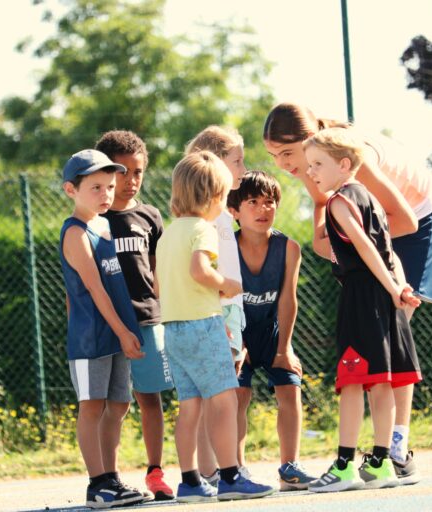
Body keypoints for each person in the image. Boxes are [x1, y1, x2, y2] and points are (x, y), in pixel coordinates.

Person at [263, 102, 432, 483]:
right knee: (377, 347)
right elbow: (323, 214)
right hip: (371, 225)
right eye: (272, 156)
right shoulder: (314, 163)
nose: (282, 164)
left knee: (388, 341)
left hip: (417, 219)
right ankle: (376, 453)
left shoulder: (348, 157)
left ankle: (396, 449)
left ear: (310, 140)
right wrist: (331, 238)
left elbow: (402, 222)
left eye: (286, 153)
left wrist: (359, 254)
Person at [302, 128, 423, 492]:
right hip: (385, 298)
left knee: (352, 383)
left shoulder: (340, 203)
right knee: (382, 381)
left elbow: (369, 250)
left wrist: (391, 287)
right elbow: (388, 252)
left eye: (317, 164)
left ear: (343, 164)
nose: (311, 172)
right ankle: (382, 462)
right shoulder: (369, 197)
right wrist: (399, 289)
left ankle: (344, 466)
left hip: (362, 298)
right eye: (308, 165)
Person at [155, 151, 275, 502]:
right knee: (223, 402)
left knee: (189, 405)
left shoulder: (167, 235)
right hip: (203, 325)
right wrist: (225, 284)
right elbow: (199, 270)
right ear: (211, 198)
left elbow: (158, 285)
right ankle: (231, 475)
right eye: (223, 198)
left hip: (173, 329)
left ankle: (190, 480)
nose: (224, 206)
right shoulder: (203, 230)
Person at [58, 149, 146, 509]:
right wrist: (124, 333)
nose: (106, 194)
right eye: (95, 187)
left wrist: (125, 330)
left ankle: (112, 478)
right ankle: (97, 485)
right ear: (71, 190)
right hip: (92, 338)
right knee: (92, 407)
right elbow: (92, 290)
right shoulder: (76, 233)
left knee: (119, 405)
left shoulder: (104, 225)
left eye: (110, 186)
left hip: (115, 331)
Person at [95, 131, 175, 501]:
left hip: (147, 320)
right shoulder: (92, 222)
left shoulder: (151, 216)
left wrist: (167, 314)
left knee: (150, 398)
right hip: (108, 323)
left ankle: (155, 471)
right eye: (121, 172)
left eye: (137, 171)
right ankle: (108, 476)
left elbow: (157, 274)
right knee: (116, 403)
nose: (131, 180)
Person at [226, 171, 316, 490]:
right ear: (234, 211)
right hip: (237, 331)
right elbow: (224, 301)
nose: (263, 209)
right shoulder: (226, 247)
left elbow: (288, 300)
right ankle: (237, 469)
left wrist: (284, 349)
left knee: (290, 387)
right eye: (253, 202)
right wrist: (237, 345)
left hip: (272, 332)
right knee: (238, 394)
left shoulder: (288, 247)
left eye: (270, 202)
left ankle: (289, 468)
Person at [183, 126, 248, 485]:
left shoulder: (222, 215)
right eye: (236, 161)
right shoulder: (207, 220)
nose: (242, 168)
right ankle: (213, 471)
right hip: (216, 312)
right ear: (214, 164)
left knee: (226, 393)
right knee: (216, 395)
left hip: (229, 311)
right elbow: (205, 272)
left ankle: (226, 466)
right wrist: (222, 313)